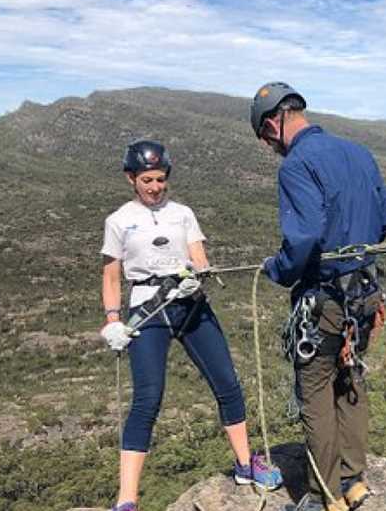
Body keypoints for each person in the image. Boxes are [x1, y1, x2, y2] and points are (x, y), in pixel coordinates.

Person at [99, 140, 282, 511]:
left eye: (161, 179)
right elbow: (112, 276)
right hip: (148, 310)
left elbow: (199, 257)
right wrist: (113, 321)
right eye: (147, 179)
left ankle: (245, 465)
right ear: (131, 178)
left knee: (228, 384)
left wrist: (197, 276)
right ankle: (127, 499)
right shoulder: (118, 220)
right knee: (148, 400)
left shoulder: (183, 213)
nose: (155, 187)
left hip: (189, 303)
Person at [250, 82, 386, 511]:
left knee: (316, 393)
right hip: (365, 293)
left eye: (264, 138)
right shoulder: (358, 153)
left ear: (273, 124)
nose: (269, 147)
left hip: (326, 299)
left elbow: (304, 239)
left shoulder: (296, 165)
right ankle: (354, 482)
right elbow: (385, 219)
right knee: (350, 381)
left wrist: (276, 269)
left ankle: (323, 495)